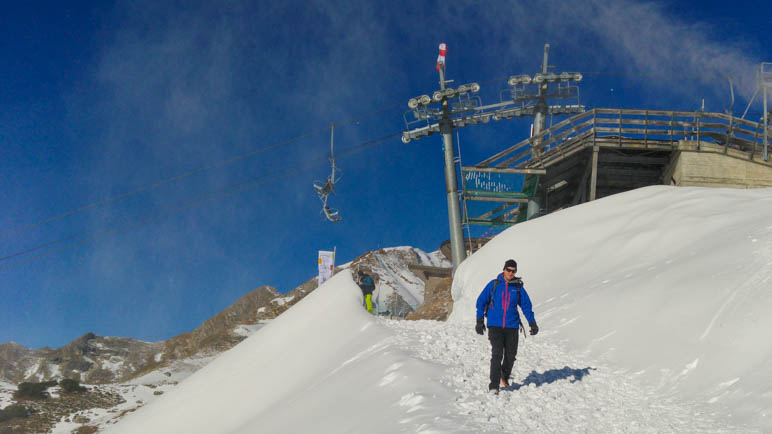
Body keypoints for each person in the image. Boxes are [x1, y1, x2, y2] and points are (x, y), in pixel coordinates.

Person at [475, 259, 538, 394]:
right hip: (495, 325)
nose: (510, 273)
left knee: (511, 355)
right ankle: (494, 385)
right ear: (504, 269)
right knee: (497, 354)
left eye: (513, 271)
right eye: (508, 270)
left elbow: (526, 306)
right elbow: (481, 301)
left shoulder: (518, 287)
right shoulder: (494, 284)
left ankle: (504, 374)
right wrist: (479, 320)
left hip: (512, 326)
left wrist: (532, 322)